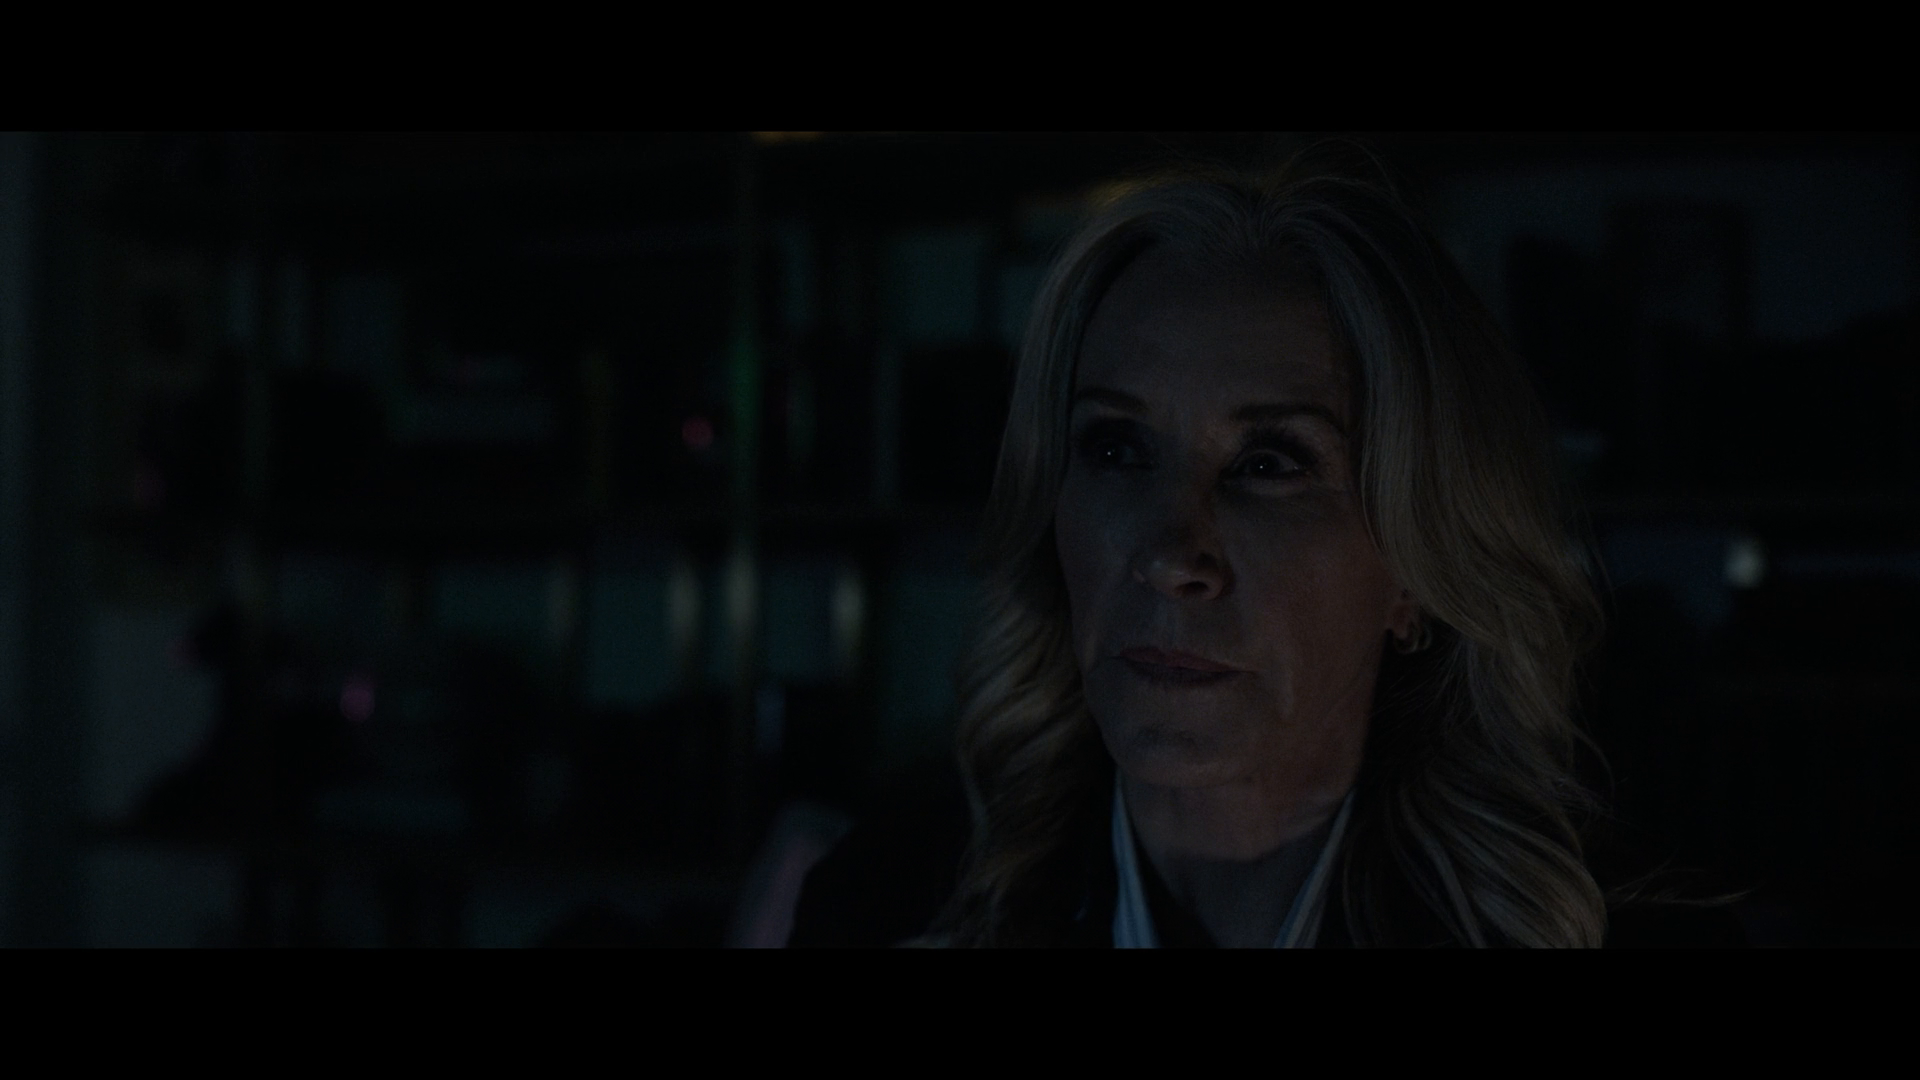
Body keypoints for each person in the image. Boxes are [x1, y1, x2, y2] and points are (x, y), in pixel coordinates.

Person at [792, 155, 1739, 948]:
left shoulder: (1601, 933)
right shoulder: (887, 905)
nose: (1170, 557)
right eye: (1116, 449)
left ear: (1415, 576)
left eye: (1268, 463)